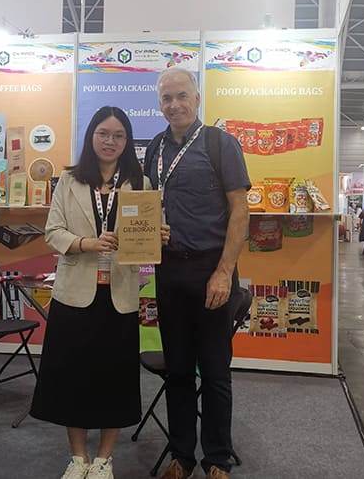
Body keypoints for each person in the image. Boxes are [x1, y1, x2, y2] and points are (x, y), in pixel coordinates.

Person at [30, 106, 170, 479]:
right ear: (91, 136)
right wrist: (86, 243)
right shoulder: (69, 180)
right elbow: (52, 232)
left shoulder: (140, 183)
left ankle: (104, 459)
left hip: (120, 296)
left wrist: (158, 235)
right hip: (75, 294)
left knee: (114, 379)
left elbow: (148, 235)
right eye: (103, 134)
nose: (111, 141)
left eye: (119, 135)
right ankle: (78, 458)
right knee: (72, 377)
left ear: (127, 141)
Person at [145, 67, 250, 479]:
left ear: (197, 98)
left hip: (212, 270)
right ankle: (182, 456)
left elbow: (240, 211)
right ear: (160, 103)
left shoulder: (220, 143)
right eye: (166, 98)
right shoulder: (155, 148)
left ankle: (217, 458)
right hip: (169, 270)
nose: (174, 105)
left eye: (181, 96)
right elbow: (148, 205)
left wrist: (224, 272)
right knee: (178, 370)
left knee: (215, 370)